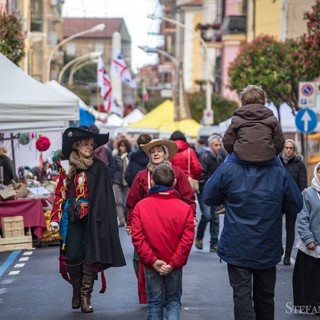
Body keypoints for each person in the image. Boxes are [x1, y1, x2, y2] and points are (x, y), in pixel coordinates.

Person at [202, 153, 303, 320]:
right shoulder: (277, 169)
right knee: (265, 297)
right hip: (267, 244)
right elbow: (295, 204)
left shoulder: (230, 166)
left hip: (237, 245)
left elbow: (208, 196)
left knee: (242, 297)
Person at [48, 125, 126, 313]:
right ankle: (76, 290)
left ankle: (85, 297)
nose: (89, 147)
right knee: (73, 256)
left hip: (94, 218)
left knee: (91, 256)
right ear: (77, 146)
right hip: (72, 219)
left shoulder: (100, 168)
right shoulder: (68, 168)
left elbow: (105, 198)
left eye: (91, 144)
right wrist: (55, 218)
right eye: (85, 144)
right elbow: (61, 194)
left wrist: (102, 218)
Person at [126, 138, 196, 304]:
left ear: (166, 154)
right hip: (147, 224)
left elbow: (188, 197)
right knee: (144, 260)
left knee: (173, 257)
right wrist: (130, 222)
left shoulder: (177, 173)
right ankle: (154, 296)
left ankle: (168, 296)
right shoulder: (142, 176)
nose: (155, 153)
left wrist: (191, 215)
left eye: (159, 150)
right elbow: (132, 201)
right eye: (152, 151)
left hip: (172, 224)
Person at [223, 84, 285, 162]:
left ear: (243, 101)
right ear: (263, 101)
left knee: (221, 172)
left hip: (241, 158)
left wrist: (235, 152)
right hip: (267, 158)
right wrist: (272, 153)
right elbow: (280, 142)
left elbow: (227, 142)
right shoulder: (272, 119)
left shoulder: (237, 119)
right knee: (282, 171)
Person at [293, 162, 320, 315]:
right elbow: (302, 218)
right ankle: (313, 305)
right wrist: (308, 238)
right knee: (312, 278)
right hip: (313, 244)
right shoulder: (308, 193)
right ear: (317, 173)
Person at [280, 139, 307, 265]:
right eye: (286, 147)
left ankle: (287, 256)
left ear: (294, 150)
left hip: (292, 200)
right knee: (275, 227)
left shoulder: (299, 164)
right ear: (283, 148)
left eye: (291, 148)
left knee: (290, 228)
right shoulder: (277, 162)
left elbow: (303, 184)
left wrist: (300, 200)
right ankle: (278, 251)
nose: (288, 150)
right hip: (278, 200)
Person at [195, 134, 223, 253]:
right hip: (204, 190)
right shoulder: (205, 156)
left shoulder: (220, 157)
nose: (219, 147)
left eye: (220, 145)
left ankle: (214, 243)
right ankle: (199, 237)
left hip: (215, 191)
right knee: (207, 215)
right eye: (216, 145)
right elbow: (201, 175)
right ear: (210, 146)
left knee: (215, 217)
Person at [113, 137, 131, 227]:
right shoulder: (116, 157)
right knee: (118, 201)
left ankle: (127, 217)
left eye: (123, 146)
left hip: (127, 181)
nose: (121, 148)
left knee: (128, 201)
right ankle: (121, 220)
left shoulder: (130, 157)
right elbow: (113, 168)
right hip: (117, 180)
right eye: (120, 146)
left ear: (127, 147)